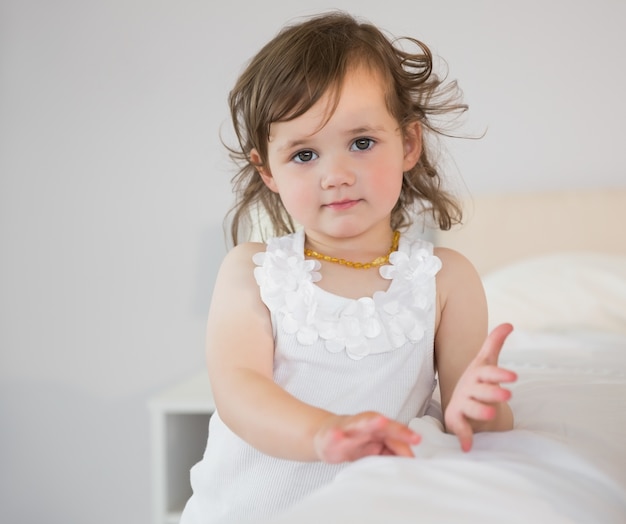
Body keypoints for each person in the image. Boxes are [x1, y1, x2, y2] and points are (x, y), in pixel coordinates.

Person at [180, 11, 517, 524]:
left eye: (362, 143)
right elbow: (239, 389)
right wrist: (321, 434)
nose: (336, 175)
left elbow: (468, 420)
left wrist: (480, 409)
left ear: (408, 144)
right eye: (304, 154)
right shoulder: (252, 270)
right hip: (252, 509)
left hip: (378, 509)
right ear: (267, 170)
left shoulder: (446, 279)